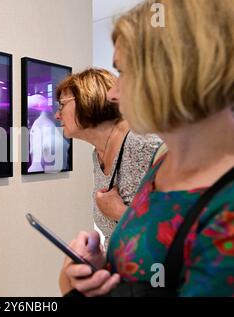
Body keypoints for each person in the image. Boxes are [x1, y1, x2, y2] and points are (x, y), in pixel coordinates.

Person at [61, 0, 234, 297]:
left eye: (123, 72)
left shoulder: (225, 210)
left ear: (176, 73)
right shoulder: (164, 166)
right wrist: (102, 271)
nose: (113, 94)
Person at [55, 68, 162, 249]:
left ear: (87, 99)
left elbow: (180, 223)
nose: (57, 115)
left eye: (62, 105)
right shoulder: (98, 155)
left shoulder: (144, 144)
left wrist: (119, 212)